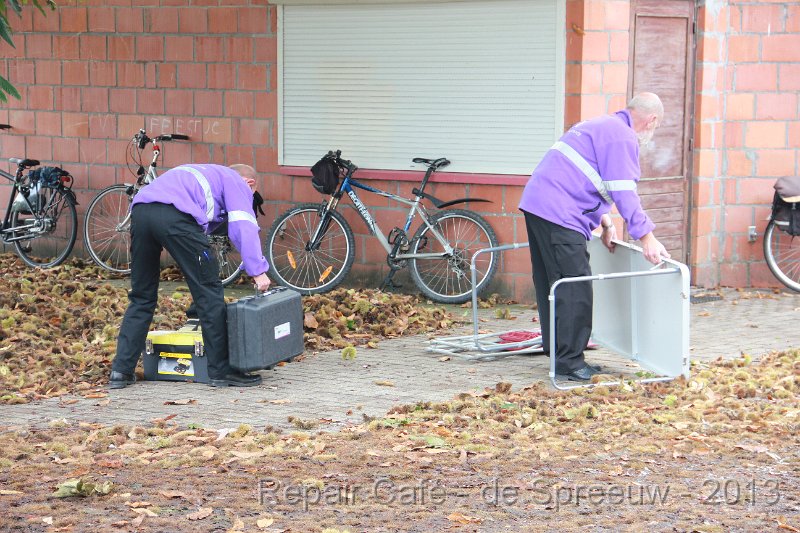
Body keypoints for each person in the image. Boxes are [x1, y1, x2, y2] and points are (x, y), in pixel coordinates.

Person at [518, 92, 670, 381]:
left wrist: (606, 222)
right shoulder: (623, 137)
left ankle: (559, 353)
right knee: (575, 285)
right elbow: (624, 191)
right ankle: (570, 363)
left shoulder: (601, 125)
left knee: (553, 283)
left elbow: (583, 176)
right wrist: (647, 237)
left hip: (539, 205)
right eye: (656, 126)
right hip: (559, 212)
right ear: (651, 120)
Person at [109, 163, 271, 389]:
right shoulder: (236, 181)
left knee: (142, 296)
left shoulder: (202, 173)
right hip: (176, 218)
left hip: (141, 213)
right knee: (209, 293)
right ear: (249, 183)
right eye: (251, 194)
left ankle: (121, 371)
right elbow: (243, 225)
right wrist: (258, 271)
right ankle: (221, 371)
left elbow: (208, 221)